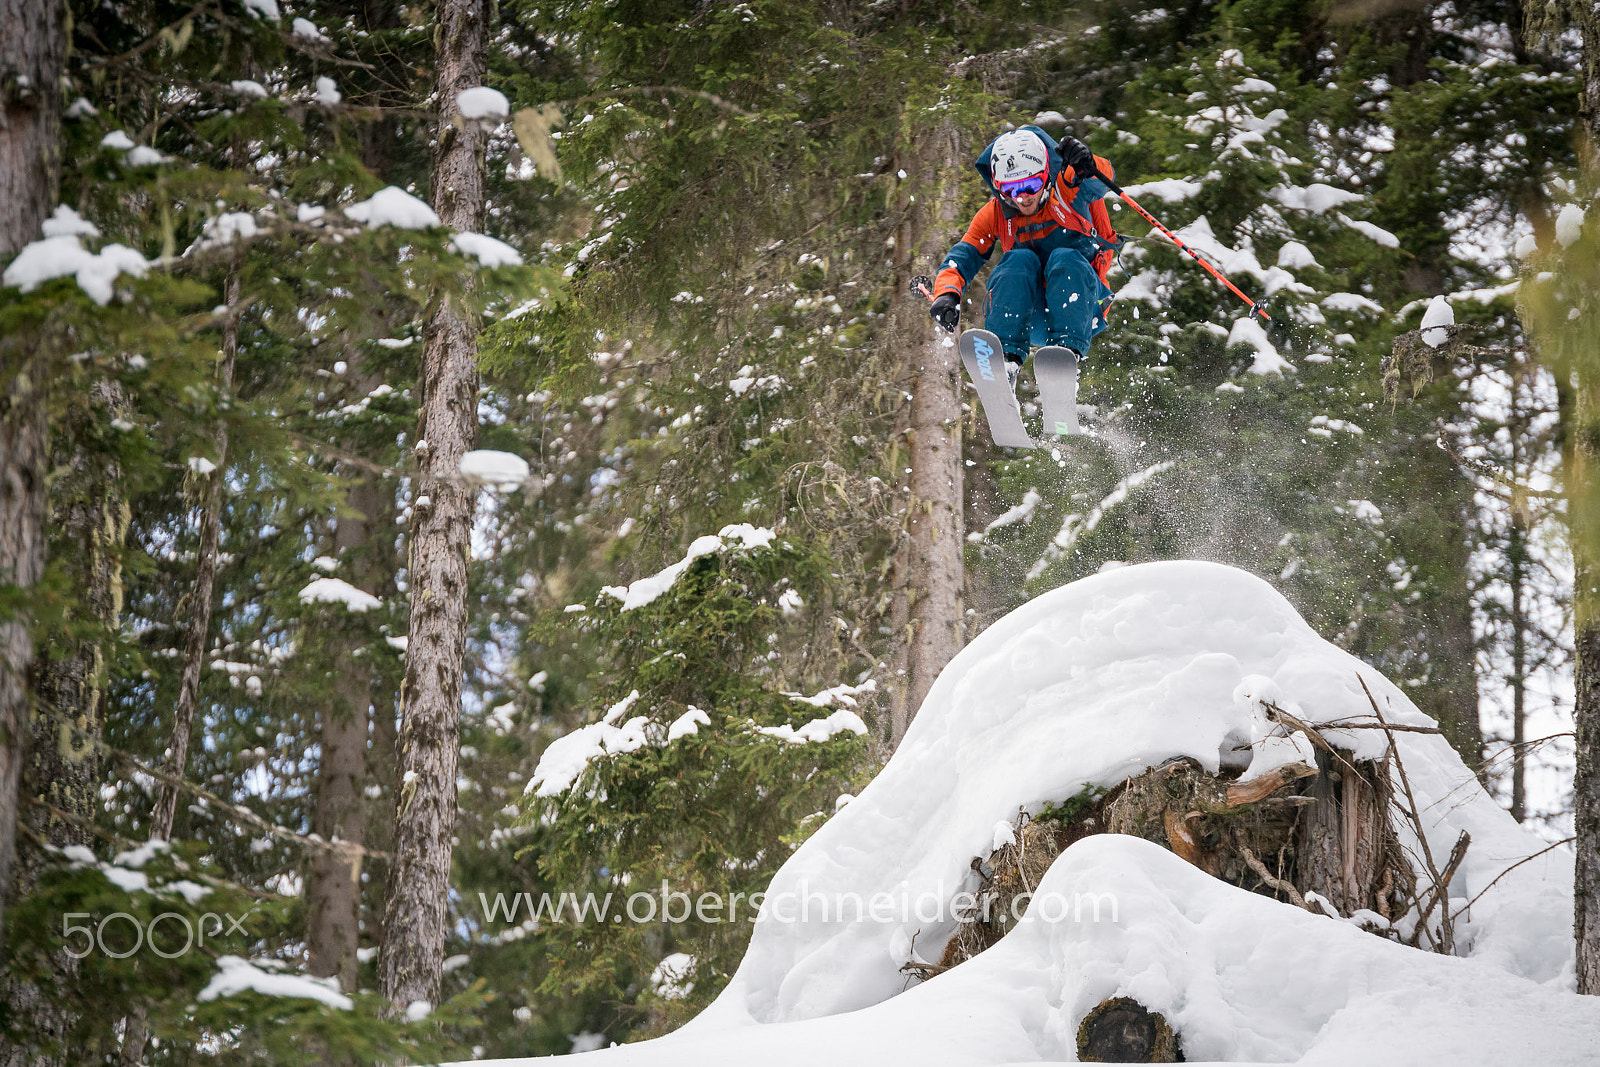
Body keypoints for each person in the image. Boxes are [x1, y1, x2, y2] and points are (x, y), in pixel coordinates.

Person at [928, 126, 1121, 389]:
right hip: (1028, 316)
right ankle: (1005, 360)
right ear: (999, 188)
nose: (1023, 197)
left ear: (1046, 175)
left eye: (1030, 185)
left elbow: (1102, 177)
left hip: (1081, 309)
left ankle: (1064, 358)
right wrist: (946, 293)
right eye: (1012, 189)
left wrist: (1087, 160)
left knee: (1065, 258)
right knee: (1017, 262)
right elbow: (964, 253)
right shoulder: (996, 213)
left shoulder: (1067, 188)